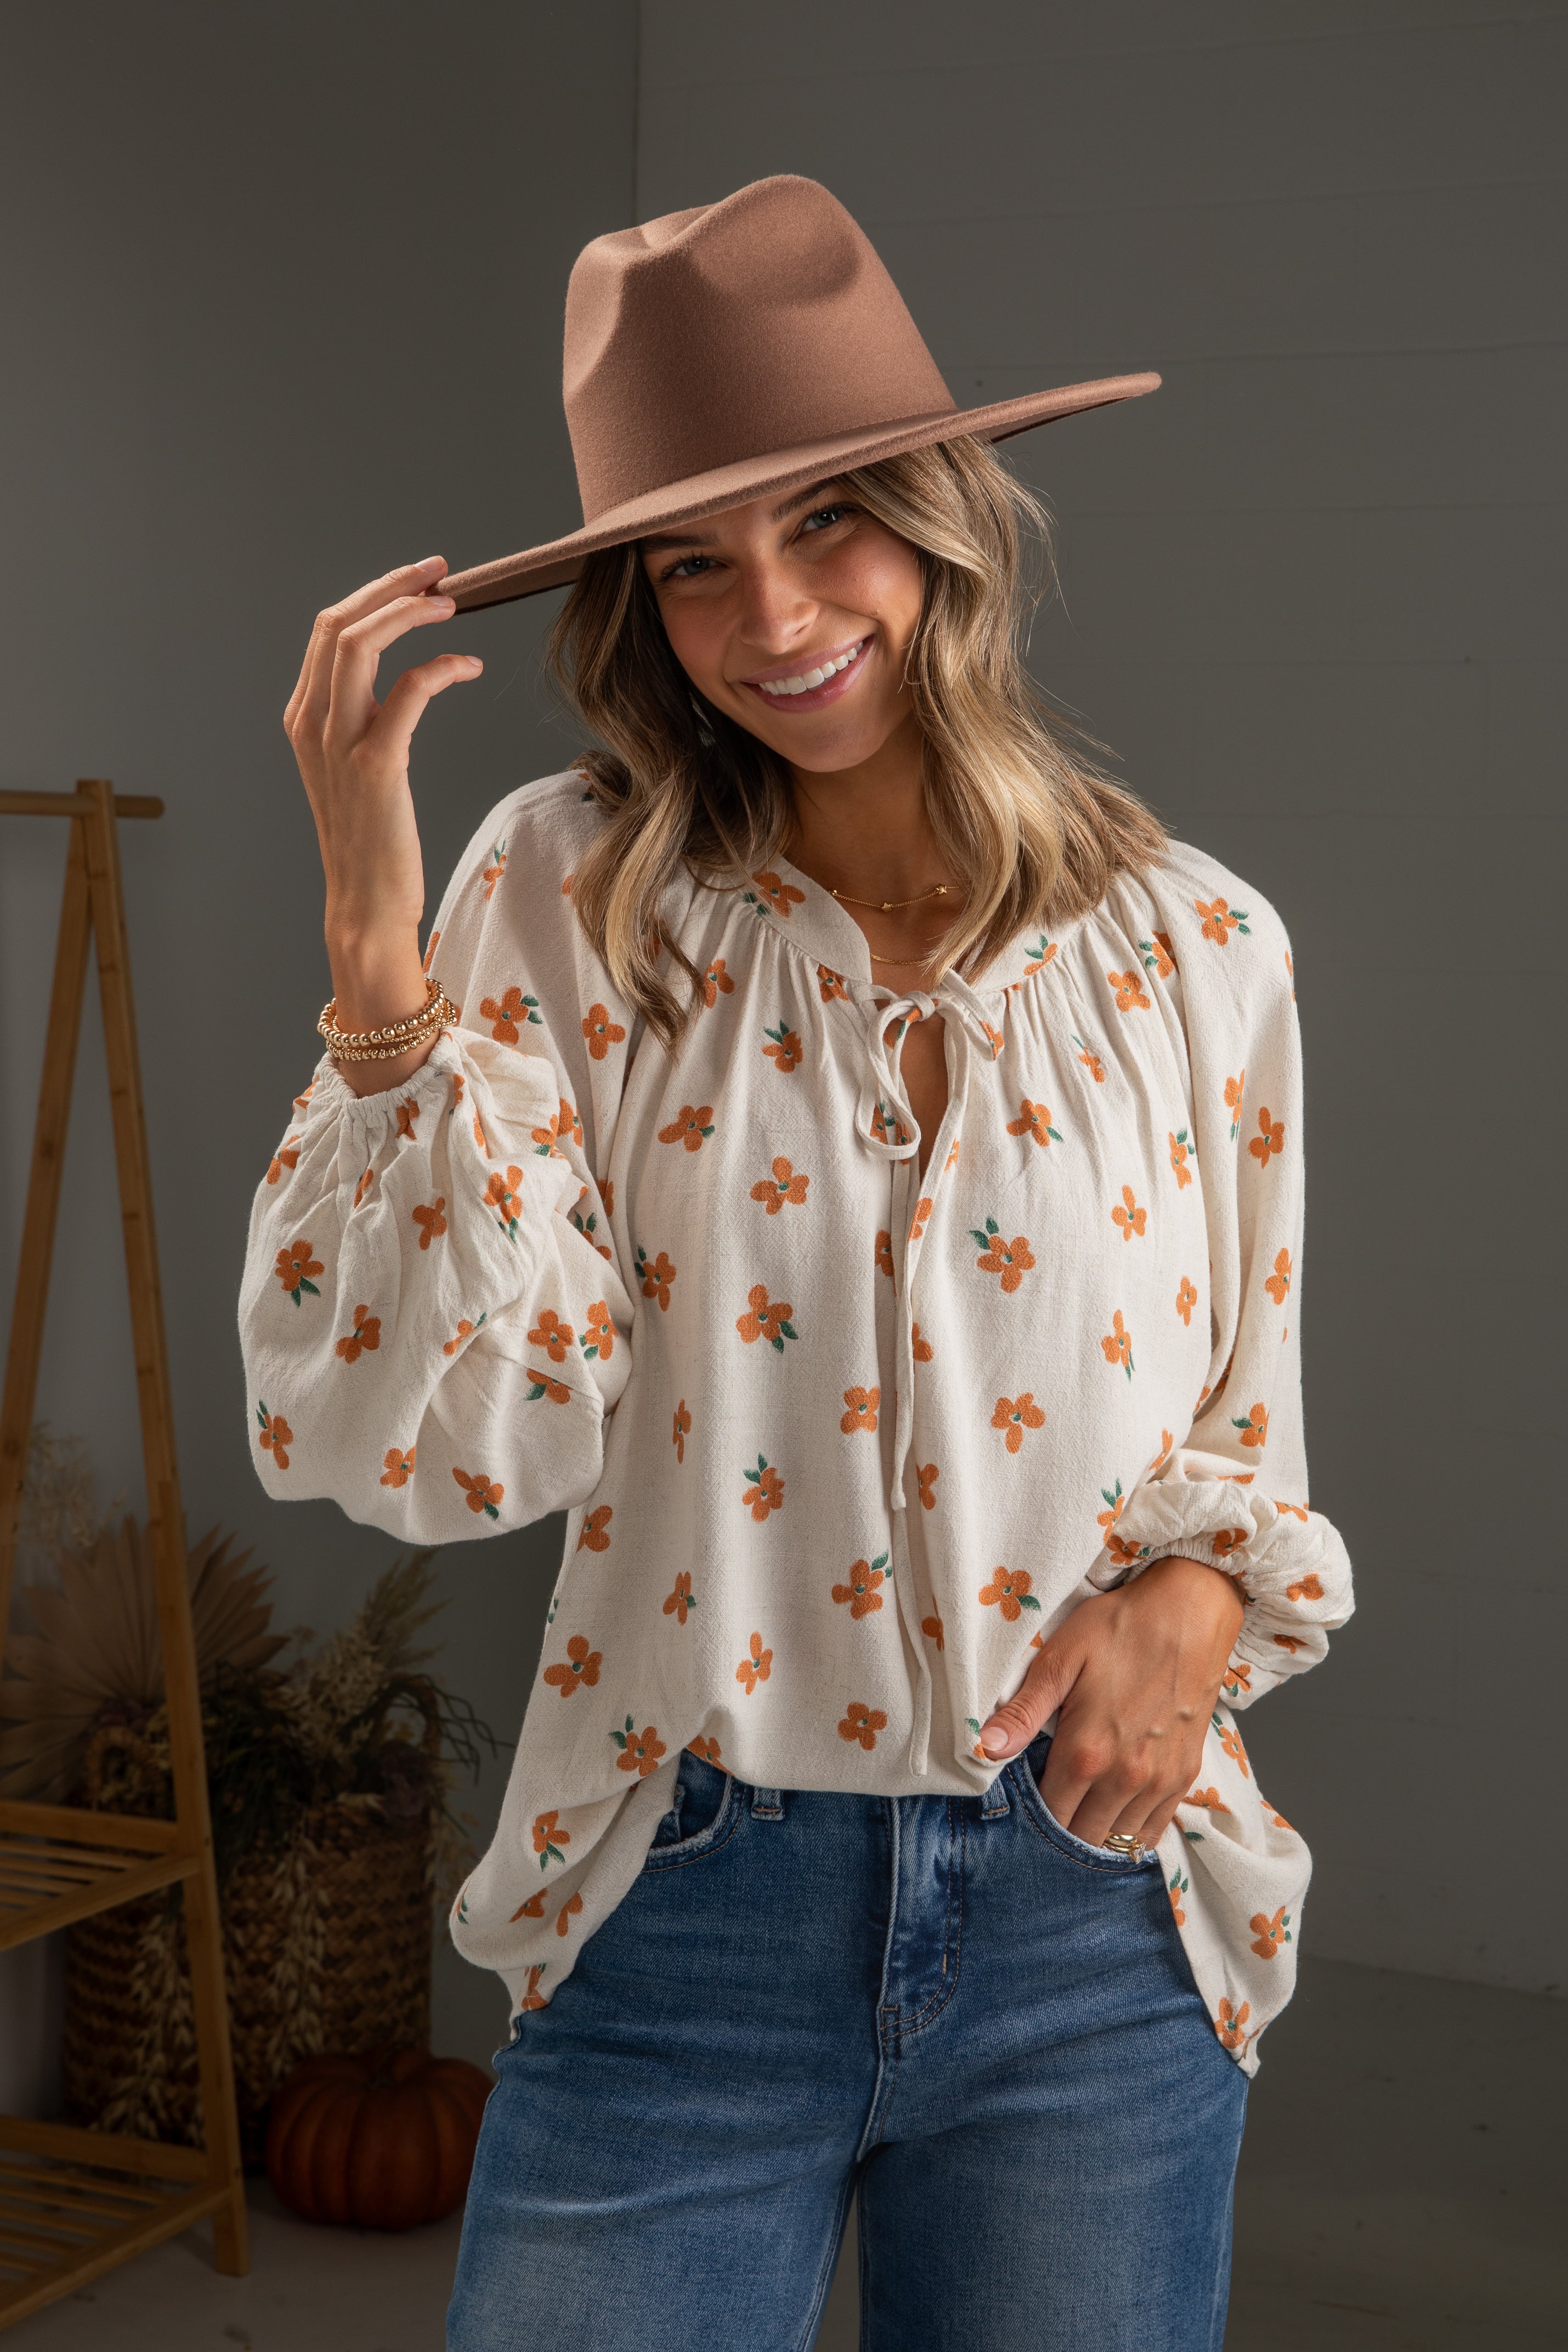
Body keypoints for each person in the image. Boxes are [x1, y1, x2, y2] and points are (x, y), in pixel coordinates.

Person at [241, 177, 1353, 2351]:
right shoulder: (567, 899)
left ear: (945, 520)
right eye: (690, 564)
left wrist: (1203, 1609)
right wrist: (379, 964)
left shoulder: (1201, 952)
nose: (768, 614)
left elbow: (1243, 1422)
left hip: (1092, 1917)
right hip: (689, 1891)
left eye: (828, 518)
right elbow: (450, 1435)